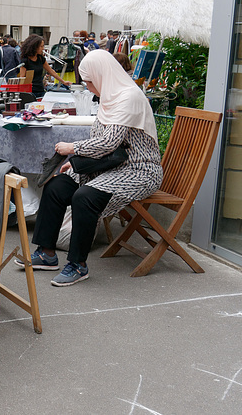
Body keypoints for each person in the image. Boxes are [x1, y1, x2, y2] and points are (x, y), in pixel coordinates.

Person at [17, 49, 162, 286]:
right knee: (56, 186)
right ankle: (46, 253)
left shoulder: (129, 97)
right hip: (110, 165)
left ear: (102, 75)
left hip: (139, 170)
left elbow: (108, 143)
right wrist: (76, 167)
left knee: (84, 197)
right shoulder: (111, 96)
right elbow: (105, 147)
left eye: (89, 82)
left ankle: (78, 265)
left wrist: (71, 148)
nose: (88, 87)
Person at [18, 34, 70, 99]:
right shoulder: (25, 60)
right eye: (41, 46)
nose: (43, 48)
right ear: (34, 47)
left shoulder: (40, 58)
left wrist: (63, 81)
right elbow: (22, 78)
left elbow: (51, 71)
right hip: (30, 92)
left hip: (40, 90)